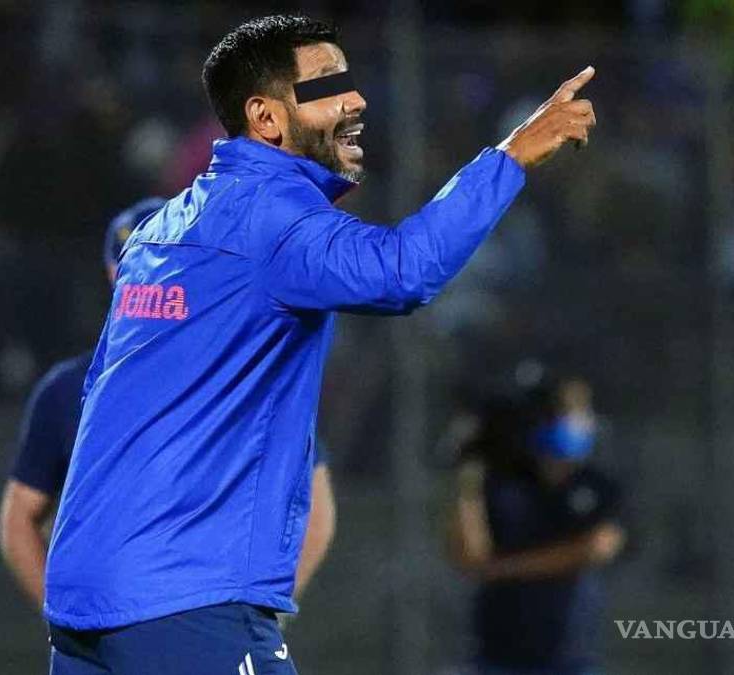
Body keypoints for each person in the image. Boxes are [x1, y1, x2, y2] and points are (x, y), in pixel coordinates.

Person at [44, 14, 597, 675]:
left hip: (85, 598)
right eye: (327, 84)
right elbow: (401, 271)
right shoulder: (272, 219)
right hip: (185, 594)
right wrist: (510, 157)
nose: (356, 98)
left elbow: (102, 389)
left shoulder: (161, 228)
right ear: (266, 118)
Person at [0, 200, 338, 609]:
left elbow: (314, 504)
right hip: (116, 615)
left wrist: (267, 609)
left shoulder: (246, 373)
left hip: (210, 611)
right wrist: (63, 614)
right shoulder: (68, 390)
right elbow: (19, 516)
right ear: (114, 275)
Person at [446, 368, 626, 675]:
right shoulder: (502, 483)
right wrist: (468, 477)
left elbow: (596, 548)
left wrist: (504, 569)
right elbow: (469, 557)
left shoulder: (596, 483)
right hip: (498, 656)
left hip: (569, 656)